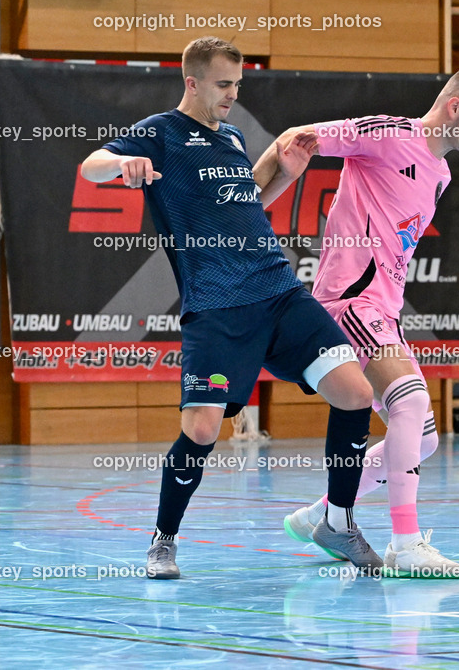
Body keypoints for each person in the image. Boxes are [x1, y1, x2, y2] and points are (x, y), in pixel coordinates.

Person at [80, 36, 384, 578]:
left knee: (357, 394)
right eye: (223, 85)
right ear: (191, 82)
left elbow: (246, 206)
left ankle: (337, 521)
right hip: (218, 306)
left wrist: (285, 174)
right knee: (201, 430)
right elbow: (91, 166)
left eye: (238, 85)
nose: (231, 94)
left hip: (278, 291)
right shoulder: (160, 133)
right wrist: (120, 168)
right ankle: (162, 541)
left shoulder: (234, 137)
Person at [274, 68, 459, 578]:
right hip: (350, 303)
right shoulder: (390, 135)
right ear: (454, 107)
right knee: (413, 399)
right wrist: (255, 196)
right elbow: (299, 139)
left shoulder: (440, 175)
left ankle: (325, 515)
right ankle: (405, 544)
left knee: (422, 438)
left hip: (385, 313)